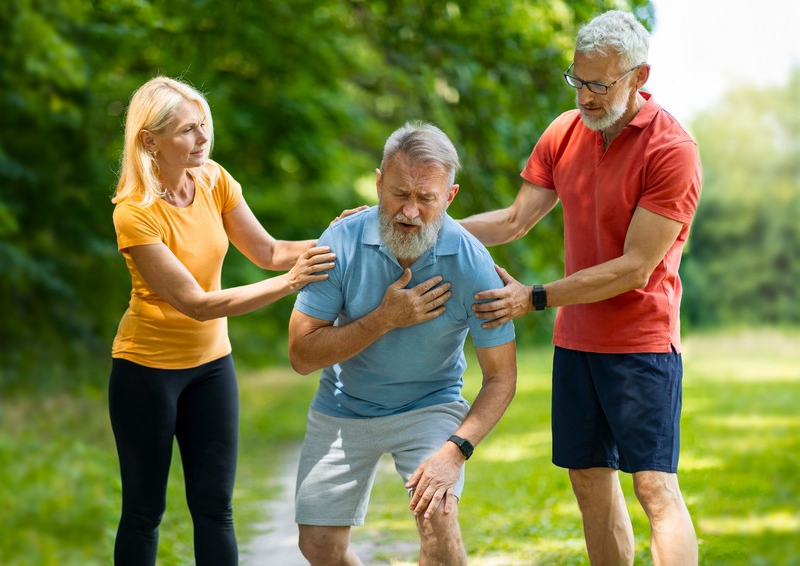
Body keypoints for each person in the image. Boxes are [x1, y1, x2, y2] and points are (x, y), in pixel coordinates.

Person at [459, 10, 701, 565]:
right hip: (577, 343)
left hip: (641, 344)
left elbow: (635, 267)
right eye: (578, 79)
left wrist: (535, 296)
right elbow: (515, 220)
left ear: (639, 76)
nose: (586, 96)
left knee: (654, 488)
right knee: (589, 481)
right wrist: (425, 227)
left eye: (600, 84)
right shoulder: (564, 132)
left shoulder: (671, 150)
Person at [108, 76, 338, 565]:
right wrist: (291, 284)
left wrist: (340, 234)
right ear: (150, 140)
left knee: (215, 508)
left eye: (203, 126)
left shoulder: (213, 179)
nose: (202, 139)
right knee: (144, 511)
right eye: (188, 131)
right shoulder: (134, 213)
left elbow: (270, 250)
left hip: (211, 366)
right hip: (146, 372)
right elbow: (196, 303)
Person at [288, 122, 517, 566]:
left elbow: (501, 377)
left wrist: (455, 451)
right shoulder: (339, 242)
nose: (409, 211)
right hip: (344, 405)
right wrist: (383, 319)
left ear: (449, 197)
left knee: (438, 516)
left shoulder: (473, 263)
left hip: (429, 406)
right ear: (378, 182)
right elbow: (300, 355)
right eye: (399, 193)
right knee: (317, 544)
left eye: (426, 198)